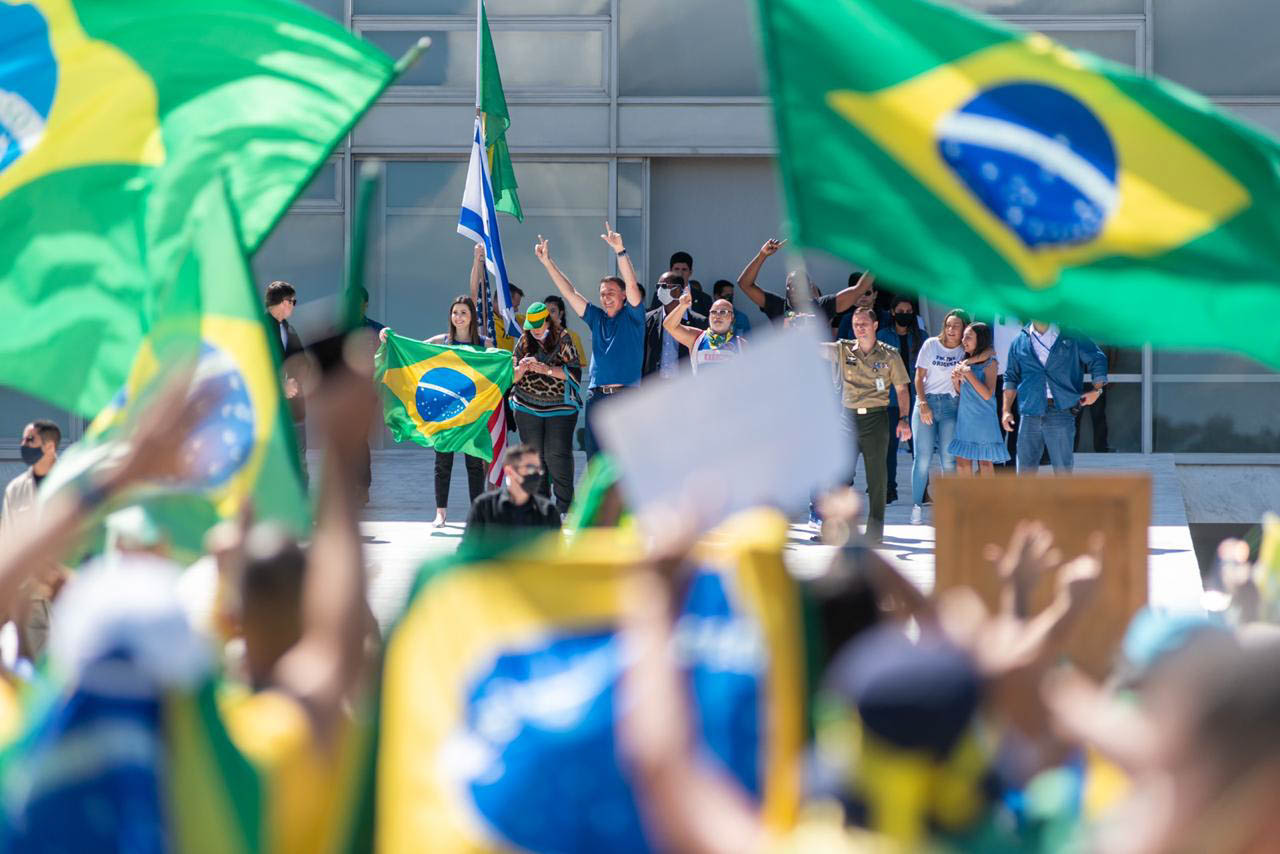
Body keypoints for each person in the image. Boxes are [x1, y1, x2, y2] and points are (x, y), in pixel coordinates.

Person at [381, 296, 492, 527]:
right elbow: (413, 351)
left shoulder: (485, 343)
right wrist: (389, 338)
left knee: (475, 465)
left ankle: (477, 514)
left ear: (472, 316)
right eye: (455, 313)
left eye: (463, 312)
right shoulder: (442, 341)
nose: (458, 317)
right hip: (446, 415)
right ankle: (440, 513)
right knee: (443, 464)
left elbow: (495, 372)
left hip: (473, 415)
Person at [536, 223, 644, 458]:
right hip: (597, 397)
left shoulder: (634, 315)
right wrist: (547, 263)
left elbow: (633, 284)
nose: (606, 298)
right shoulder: (596, 318)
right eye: (602, 294)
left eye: (611, 293)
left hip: (627, 396)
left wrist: (620, 251)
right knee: (595, 461)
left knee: (627, 462)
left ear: (623, 296)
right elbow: (570, 293)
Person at [822, 307, 911, 542]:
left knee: (877, 478)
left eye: (863, 323)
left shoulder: (889, 355)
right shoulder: (843, 349)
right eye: (855, 324)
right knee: (839, 474)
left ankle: (875, 532)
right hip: (847, 418)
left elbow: (902, 388)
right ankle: (835, 529)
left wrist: (904, 419)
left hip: (876, 418)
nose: (859, 328)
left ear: (875, 326)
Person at [1002, 321, 1108, 474]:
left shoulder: (1071, 335)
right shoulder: (1019, 341)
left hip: (1061, 411)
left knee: (1062, 471)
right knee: (1025, 471)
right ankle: (1025, 499)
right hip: (1030, 412)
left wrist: (1096, 390)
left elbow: (1097, 358)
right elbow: (1011, 377)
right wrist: (1006, 410)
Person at [510, 302, 582, 513]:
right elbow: (511, 377)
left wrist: (546, 370)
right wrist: (522, 368)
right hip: (526, 405)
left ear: (548, 321)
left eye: (539, 325)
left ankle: (565, 507)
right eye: (532, 326)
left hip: (560, 407)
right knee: (534, 457)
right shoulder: (524, 340)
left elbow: (574, 373)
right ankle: (538, 507)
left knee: (557, 455)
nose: (536, 330)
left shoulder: (563, 338)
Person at [1, 420, 63, 662]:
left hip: (65, 592)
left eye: (30, 440)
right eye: (23, 440)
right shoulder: (15, 490)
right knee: (33, 664)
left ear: (49, 447)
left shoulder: (73, 483)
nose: (23, 445)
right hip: (30, 597)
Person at [909, 310, 974, 525]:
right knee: (923, 459)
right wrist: (923, 403)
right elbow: (918, 377)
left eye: (956, 326)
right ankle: (917, 506)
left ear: (965, 328)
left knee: (949, 459)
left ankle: (950, 508)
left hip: (951, 405)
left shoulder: (966, 351)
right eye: (948, 325)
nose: (951, 329)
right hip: (926, 402)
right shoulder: (931, 345)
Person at [737, 237, 870, 325]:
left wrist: (880, 262)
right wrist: (762, 255)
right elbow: (744, 284)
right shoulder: (777, 306)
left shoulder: (822, 306)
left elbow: (858, 290)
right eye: (790, 286)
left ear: (809, 288)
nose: (794, 289)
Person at [877, 295, 926, 504]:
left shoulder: (921, 336)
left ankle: (923, 490)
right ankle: (888, 488)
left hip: (917, 398)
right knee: (888, 449)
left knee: (920, 449)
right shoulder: (883, 336)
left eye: (908, 312)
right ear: (893, 312)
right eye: (901, 311)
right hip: (890, 398)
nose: (904, 315)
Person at [462, 444, 562, 544]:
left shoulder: (549, 512)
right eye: (530, 468)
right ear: (509, 471)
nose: (536, 474)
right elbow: (466, 552)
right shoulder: (484, 507)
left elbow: (558, 555)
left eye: (538, 469)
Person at [949, 322, 1010, 476]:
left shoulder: (991, 362)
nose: (963, 340)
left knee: (984, 463)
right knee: (962, 463)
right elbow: (962, 392)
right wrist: (956, 381)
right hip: (965, 417)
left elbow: (988, 394)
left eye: (968, 337)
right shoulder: (964, 360)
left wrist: (968, 374)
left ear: (980, 339)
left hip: (984, 420)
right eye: (963, 337)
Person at [265, 280, 308, 484]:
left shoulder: (289, 330)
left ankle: (301, 506)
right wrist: (280, 386)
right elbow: (255, 365)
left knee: (299, 461)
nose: (294, 306)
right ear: (285, 302)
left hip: (294, 409)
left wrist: (296, 382)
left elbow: (303, 363)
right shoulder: (260, 330)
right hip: (271, 412)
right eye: (293, 301)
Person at [661, 289, 746, 373]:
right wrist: (682, 306)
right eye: (713, 312)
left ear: (732, 318)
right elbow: (669, 326)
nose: (717, 316)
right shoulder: (697, 338)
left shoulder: (741, 344)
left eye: (723, 312)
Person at [642, 273, 707, 380]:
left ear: (677, 291)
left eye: (663, 286)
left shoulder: (700, 322)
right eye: (658, 287)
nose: (659, 290)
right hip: (654, 388)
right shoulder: (648, 319)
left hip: (685, 386)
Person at [356, 286, 384, 505]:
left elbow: (390, 356)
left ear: (365, 304)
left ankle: (362, 487)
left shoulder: (376, 330)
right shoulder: (334, 329)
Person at [469, 243, 525, 351]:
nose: (517, 310)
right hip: (487, 363)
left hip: (505, 365)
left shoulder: (515, 320)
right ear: (505, 300)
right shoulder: (485, 314)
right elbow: (475, 292)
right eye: (515, 306)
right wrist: (477, 260)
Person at [544, 294, 587, 370]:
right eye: (545, 311)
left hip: (563, 380)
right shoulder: (537, 334)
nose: (548, 315)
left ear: (561, 313)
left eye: (552, 311)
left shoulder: (572, 336)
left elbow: (579, 365)